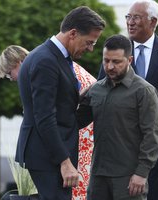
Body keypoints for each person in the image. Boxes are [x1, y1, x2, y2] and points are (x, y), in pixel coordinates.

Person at [16, 6, 105, 200]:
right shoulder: (46, 61)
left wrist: (84, 96)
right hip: (48, 156)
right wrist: (64, 162)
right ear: (73, 33)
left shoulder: (57, 57)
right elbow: (44, 116)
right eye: (89, 42)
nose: (90, 49)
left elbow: (59, 104)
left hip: (51, 152)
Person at [97, 1, 158, 199]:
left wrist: (153, 117)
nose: (130, 22)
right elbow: (102, 87)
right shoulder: (117, 51)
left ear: (153, 22)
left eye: (136, 17)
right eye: (128, 17)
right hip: (121, 139)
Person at [0, 44, 97, 199]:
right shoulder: (58, 65)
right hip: (73, 138)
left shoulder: (44, 70)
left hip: (74, 139)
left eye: (10, 74)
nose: (13, 79)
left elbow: (47, 115)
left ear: (19, 62)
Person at [77, 34, 158, 200]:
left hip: (129, 177)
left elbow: (152, 135)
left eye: (116, 62)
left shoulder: (144, 91)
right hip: (98, 176)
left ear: (129, 60)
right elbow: (76, 121)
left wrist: (141, 173)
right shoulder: (95, 90)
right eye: (106, 60)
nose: (109, 67)